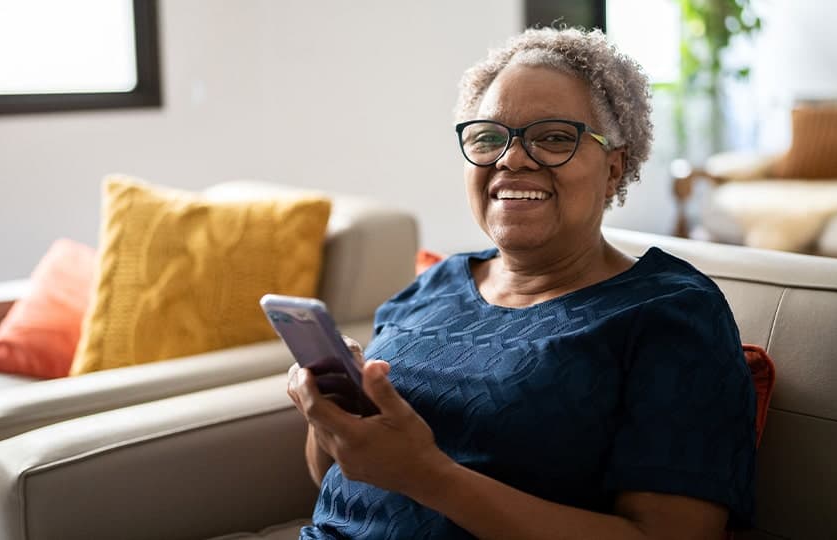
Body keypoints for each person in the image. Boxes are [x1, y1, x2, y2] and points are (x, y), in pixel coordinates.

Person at [288, 27, 756, 540]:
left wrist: (427, 476)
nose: (512, 158)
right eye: (489, 137)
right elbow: (335, 482)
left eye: (554, 137)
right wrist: (328, 413)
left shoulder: (671, 312)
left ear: (614, 168)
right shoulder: (432, 286)